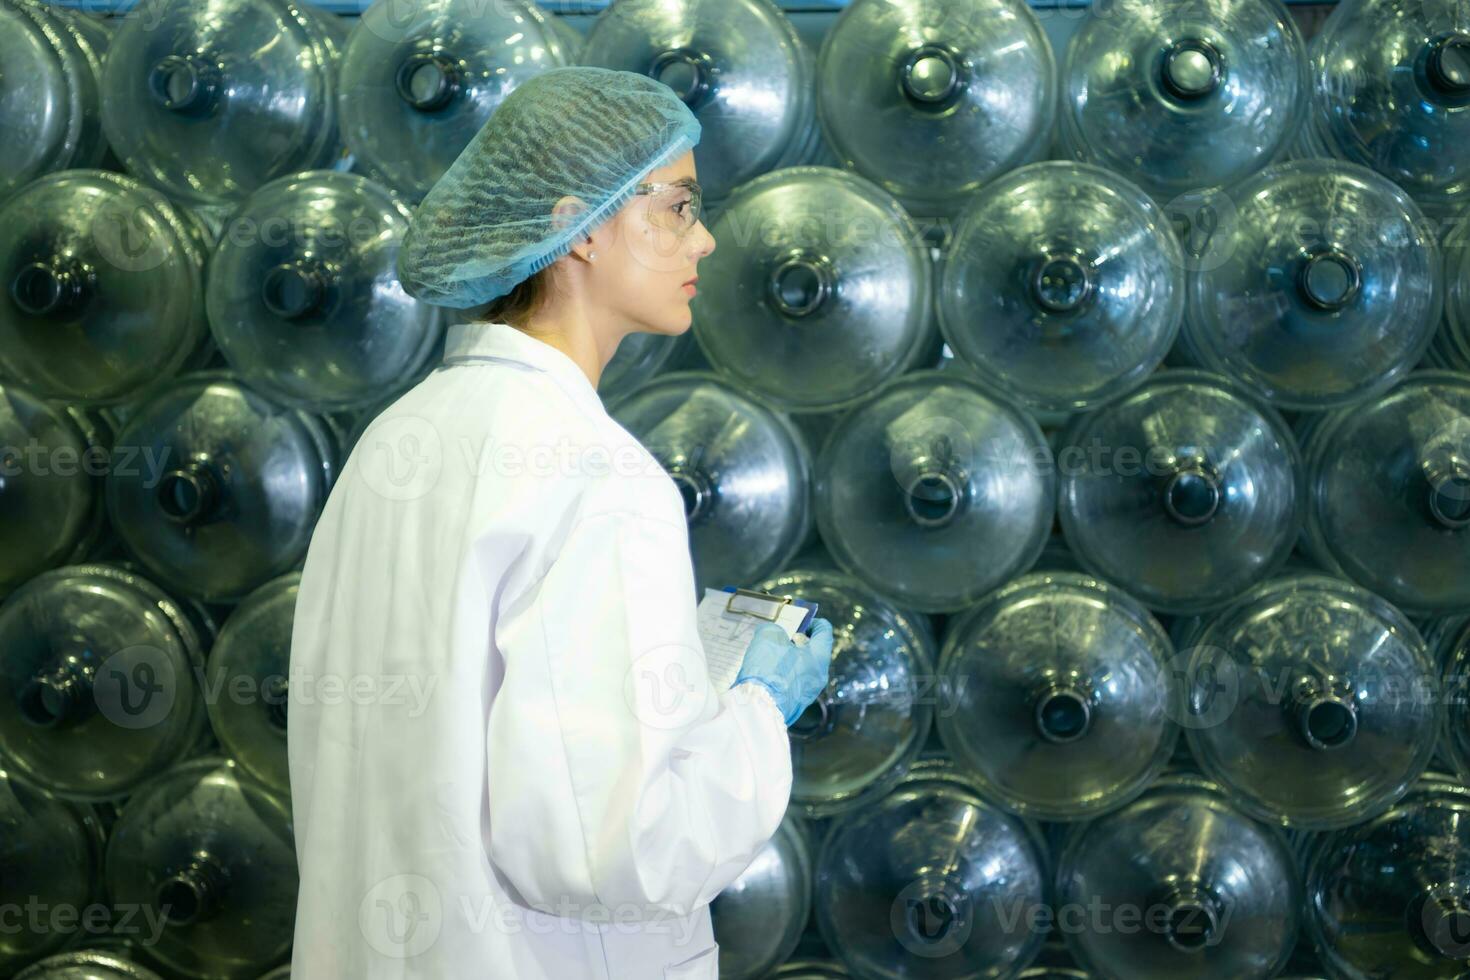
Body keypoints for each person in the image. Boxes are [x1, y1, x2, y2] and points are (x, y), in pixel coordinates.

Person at [286, 65, 833, 980]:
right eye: (677, 207)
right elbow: (612, 848)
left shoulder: (398, 438)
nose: (706, 237)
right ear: (576, 227)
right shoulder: (600, 475)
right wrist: (755, 713)